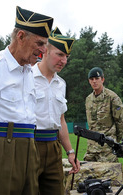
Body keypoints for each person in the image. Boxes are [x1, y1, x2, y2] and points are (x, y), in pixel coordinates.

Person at [0, 6, 53, 195]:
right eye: (39, 44)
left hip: (29, 149)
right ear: (21, 36)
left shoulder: (29, 73)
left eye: (45, 46)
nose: (42, 52)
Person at [32, 27, 80, 195]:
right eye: (59, 54)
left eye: (67, 57)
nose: (64, 61)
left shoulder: (61, 84)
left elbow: (61, 121)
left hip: (54, 148)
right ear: (45, 51)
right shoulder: (27, 76)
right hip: (30, 145)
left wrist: (70, 152)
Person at [84, 67, 123, 162]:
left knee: (110, 175)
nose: (94, 81)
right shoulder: (88, 99)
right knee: (87, 175)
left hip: (107, 149)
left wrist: (114, 140)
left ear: (102, 79)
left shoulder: (112, 97)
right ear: (89, 81)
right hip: (91, 149)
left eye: (97, 78)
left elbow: (122, 121)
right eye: (92, 79)